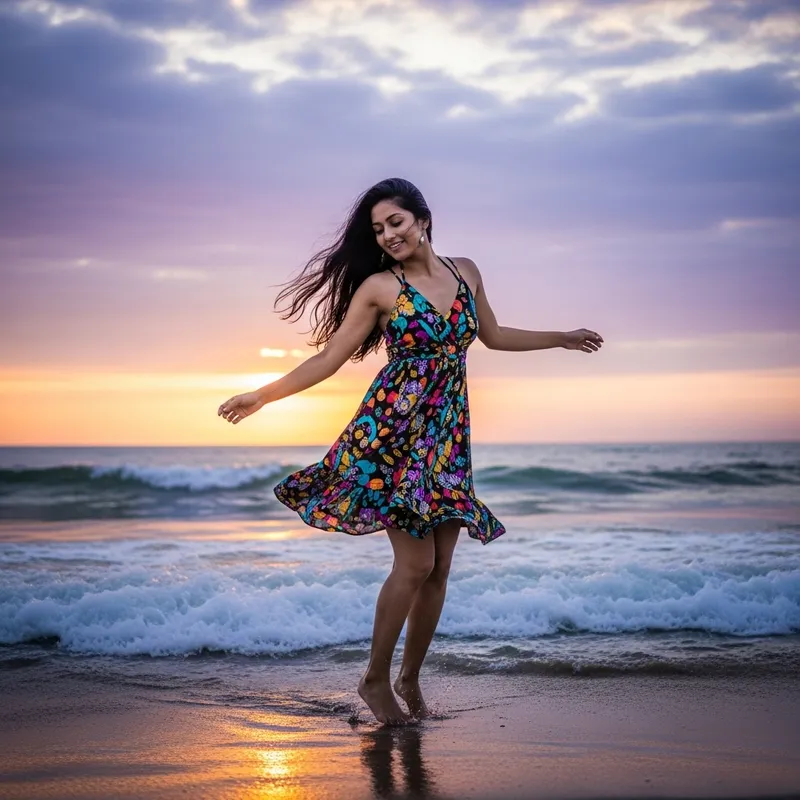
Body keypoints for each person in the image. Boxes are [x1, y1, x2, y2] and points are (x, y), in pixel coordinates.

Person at [217, 177, 603, 725]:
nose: (388, 234)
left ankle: (409, 678)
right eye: (378, 229)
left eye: (395, 222)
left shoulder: (465, 270)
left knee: (440, 568)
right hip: (394, 435)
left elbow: (491, 335)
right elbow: (328, 360)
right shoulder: (379, 287)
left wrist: (560, 337)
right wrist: (262, 395)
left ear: (422, 218)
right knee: (414, 563)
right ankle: (374, 679)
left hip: (446, 437)